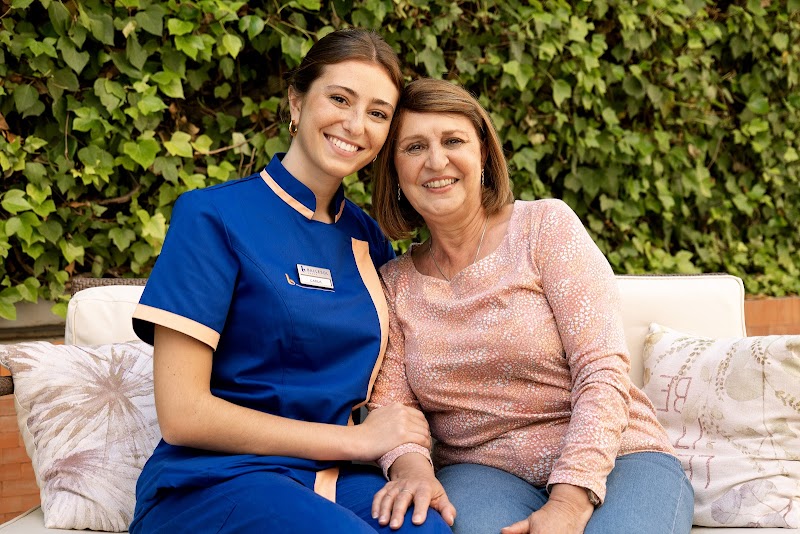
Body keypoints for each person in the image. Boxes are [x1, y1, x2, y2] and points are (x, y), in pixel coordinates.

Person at [128, 30, 453, 533]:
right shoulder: (212, 216)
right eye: (340, 99)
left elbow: (393, 384)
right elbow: (182, 414)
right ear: (296, 102)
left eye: (377, 113)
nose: (355, 125)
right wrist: (356, 441)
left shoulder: (369, 240)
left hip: (332, 477)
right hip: (214, 480)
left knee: (425, 527)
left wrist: (410, 464)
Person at [367, 78, 694, 534]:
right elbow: (392, 407)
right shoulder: (393, 283)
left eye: (453, 141)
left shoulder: (544, 227)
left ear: (484, 153)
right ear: (394, 169)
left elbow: (602, 369)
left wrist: (569, 501)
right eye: (414, 147)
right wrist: (413, 472)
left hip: (619, 457)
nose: (436, 161)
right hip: (482, 472)